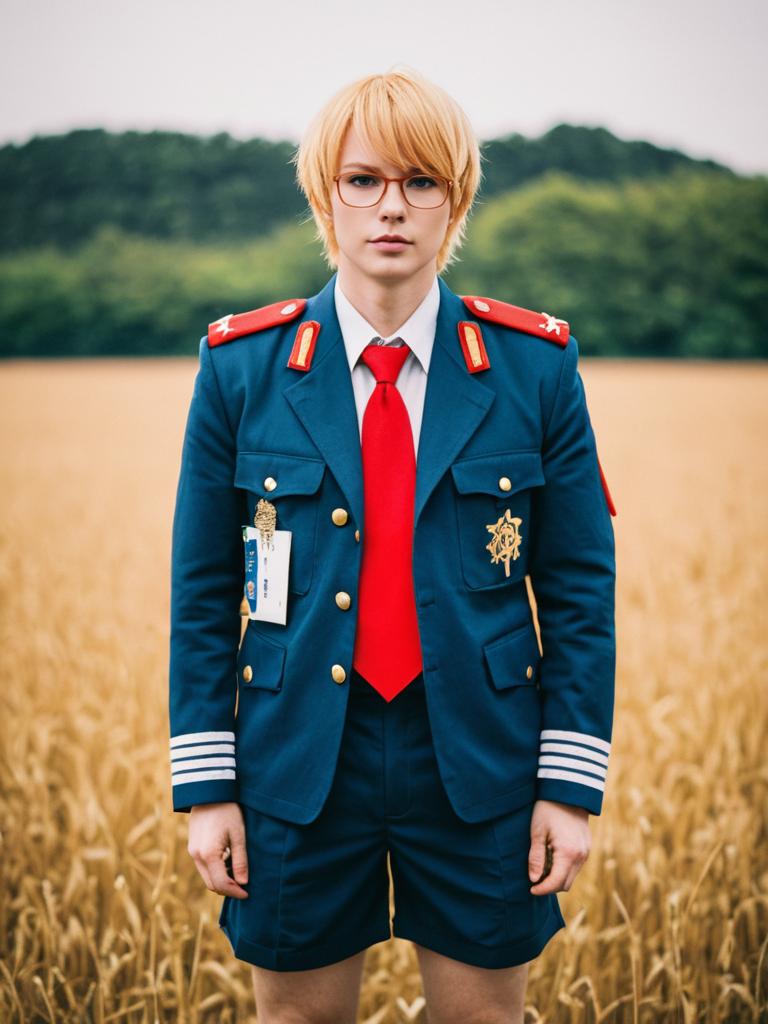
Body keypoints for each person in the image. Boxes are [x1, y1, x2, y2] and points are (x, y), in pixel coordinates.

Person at [168, 66, 616, 1024]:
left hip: (482, 760)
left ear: (456, 201)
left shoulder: (533, 366)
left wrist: (569, 789)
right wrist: (208, 787)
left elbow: (579, 585)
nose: (392, 208)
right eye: (363, 180)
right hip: (293, 761)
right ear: (324, 192)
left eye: (423, 182)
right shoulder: (243, 367)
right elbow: (203, 588)